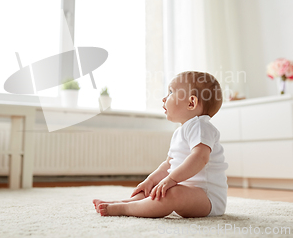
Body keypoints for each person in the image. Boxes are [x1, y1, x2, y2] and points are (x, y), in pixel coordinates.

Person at [93, 71, 228, 218]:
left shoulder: (201, 126)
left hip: (207, 198)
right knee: (154, 188)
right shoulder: (180, 132)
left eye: (171, 92)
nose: (164, 98)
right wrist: (150, 180)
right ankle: (126, 202)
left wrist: (171, 180)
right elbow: (168, 165)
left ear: (191, 103)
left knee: (172, 192)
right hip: (185, 191)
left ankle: (126, 209)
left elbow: (200, 158)